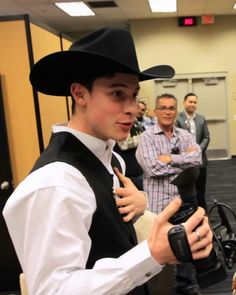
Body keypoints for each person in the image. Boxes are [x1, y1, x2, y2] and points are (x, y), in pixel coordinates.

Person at [2, 27, 212, 295]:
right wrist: (152, 254)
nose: (132, 108)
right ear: (80, 94)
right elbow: (54, 290)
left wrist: (140, 207)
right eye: (117, 94)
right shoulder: (54, 183)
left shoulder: (112, 159)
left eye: (134, 95)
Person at [136, 93, 203, 295]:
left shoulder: (184, 135)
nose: (167, 111)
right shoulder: (146, 138)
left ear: (176, 111)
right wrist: (183, 161)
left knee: (187, 242)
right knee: (158, 250)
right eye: (163, 108)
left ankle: (185, 283)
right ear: (156, 111)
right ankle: (161, 289)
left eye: (171, 108)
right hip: (157, 204)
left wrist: (170, 159)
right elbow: (152, 168)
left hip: (182, 200)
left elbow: (198, 158)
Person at [175, 92, 210, 210]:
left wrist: (199, 149)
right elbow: (175, 139)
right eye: (190, 101)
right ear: (184, 102)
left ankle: (203, 212)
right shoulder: (177, 118)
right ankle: (191, 214)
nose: (193, 104)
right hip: (185, 161)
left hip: (200, 159)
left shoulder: (201, 118)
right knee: (187, 191)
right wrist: (188, 152)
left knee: (201, 189)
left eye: (195, 102)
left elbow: (206, 137)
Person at [114, 115, 145, 190]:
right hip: (128, 171)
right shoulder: (120, 121)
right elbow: (124, 144)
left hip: (138, 169)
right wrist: (144, 137)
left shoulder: (135, 122)